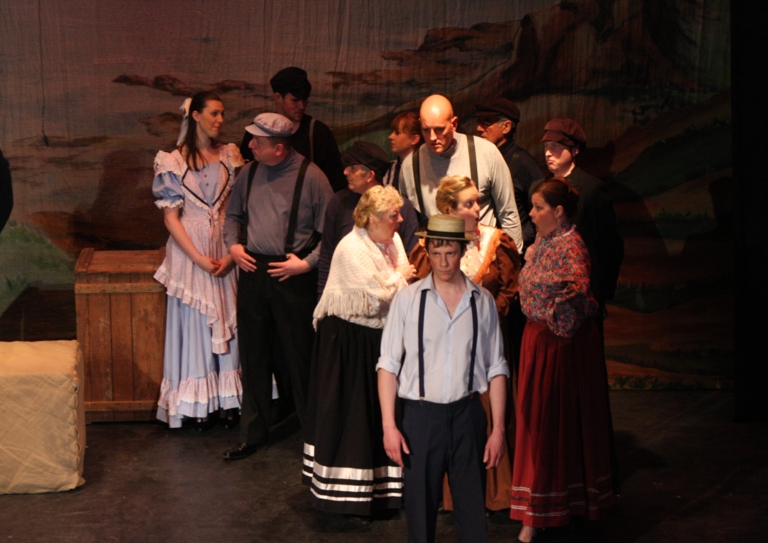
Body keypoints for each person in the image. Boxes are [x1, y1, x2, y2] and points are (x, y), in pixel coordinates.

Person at [377, 214, 509, 543]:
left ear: (462, 251)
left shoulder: (482, 301)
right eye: (436, 253)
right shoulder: (407, 300)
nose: (443, 262)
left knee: (473, 514)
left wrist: (498, 430)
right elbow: (388, 366)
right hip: (421, 418)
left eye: (450, 253)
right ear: (428, 251)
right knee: (420, 515)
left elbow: (496, 367)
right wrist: (389, 426)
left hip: (468, 415)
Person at [223, 112, 332, 460]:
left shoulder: (312, 178)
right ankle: (252, 434)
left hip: (292, 275)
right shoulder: (248, 173)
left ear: (280, 148)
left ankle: (315, 438)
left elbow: (330, 235)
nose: (250, 145)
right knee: (253, 356)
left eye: (258, 142)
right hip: (253, 270)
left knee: (300, 358)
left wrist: (306, 263)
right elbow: (232, 216)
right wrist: (233, 246)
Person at [303, 185, 416, 519]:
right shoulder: (351, 248)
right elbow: (371, 300)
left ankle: (387, 488)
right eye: (393, 215)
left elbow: (397, 286)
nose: (400, 220)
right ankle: (349, 493)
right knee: (355, 417)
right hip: (349, 343)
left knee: (381, 414)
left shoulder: (392, 241)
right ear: (372, 219)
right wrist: (399, 278)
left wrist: (396, 281)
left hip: (379, 337)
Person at [409, 175, 520, 514]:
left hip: (486, 347)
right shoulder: (430, 248)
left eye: (477, 201)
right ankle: (449, 493)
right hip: (445, 352)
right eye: (469, 203)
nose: (477, 208)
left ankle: (492, 491)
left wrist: (483, 318)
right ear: (449, 211)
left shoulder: (496, 242)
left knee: (487, 415)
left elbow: (509, 290)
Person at [511, 179, 614, 542]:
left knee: (552, 427)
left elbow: (579, 294)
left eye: (538, 207)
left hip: (557, 346)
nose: (531, 213)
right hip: (538, 341)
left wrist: (551, 318)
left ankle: (544, 511)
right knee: (538, 424)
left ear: (558, 212)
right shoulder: (544, 241)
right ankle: (542, 508)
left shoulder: (570, 245)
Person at [531, 118, 624, 491]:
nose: (549, 153)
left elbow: (610, 247)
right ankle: (561, 471)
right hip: (550, 312)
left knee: (586, 390)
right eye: (546, 147)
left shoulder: (593, 190)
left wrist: (597, 297)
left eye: (556, 147)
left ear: (574, 150)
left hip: (582, 306)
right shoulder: (543, 189)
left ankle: (595, 470)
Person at [152, 92, 244, 429]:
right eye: (214, 113)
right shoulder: (172, 161)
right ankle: (197, 406)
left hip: (223, 247)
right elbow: (171, 218)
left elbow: (237, 210)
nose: (220, 120)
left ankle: (230, 401)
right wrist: (197, 258)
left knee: (228, 319)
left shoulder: (230, 155)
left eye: (222, 114)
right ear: (196, 116)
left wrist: (230, 254)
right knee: (196, 323)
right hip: (190, 251)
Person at [398, 94, 524, 252]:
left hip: (483, 258)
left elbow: (508, 214)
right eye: (426, 130)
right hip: (438, 260)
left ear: (454, 124)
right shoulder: (410, 166)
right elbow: (404, 223)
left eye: (439, 129)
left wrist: (513, 259)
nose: (432, 137)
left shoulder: (486, 153)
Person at [317, 140, 419, 296]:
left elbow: (412, 258)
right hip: (347, 297)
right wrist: (323, 297)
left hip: (393, 297)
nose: (345, 172)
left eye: (353, 168)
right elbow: (327, 256)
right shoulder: (339, 202)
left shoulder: (400, 206)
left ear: (370, 175)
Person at [239, 67, 346, 192]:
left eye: (305, 100)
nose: (302, 106)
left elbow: (336, 183)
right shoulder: (257, 131)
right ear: (278, 97)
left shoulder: (319, 133)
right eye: (295, 100)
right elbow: (244, 176)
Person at [472, 98, 542, 252]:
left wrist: (515, 243)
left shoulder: (524, 163)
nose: (479, 128)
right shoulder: (479, 158)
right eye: (479, 121)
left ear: (506, 127)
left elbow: (541, 212)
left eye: (486, 122)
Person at [383, 111, 422, 189]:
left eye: (397, 133)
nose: (390, 136)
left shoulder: (424, 167)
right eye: (392, 132)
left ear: (414, 139)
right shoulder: (391, 168)